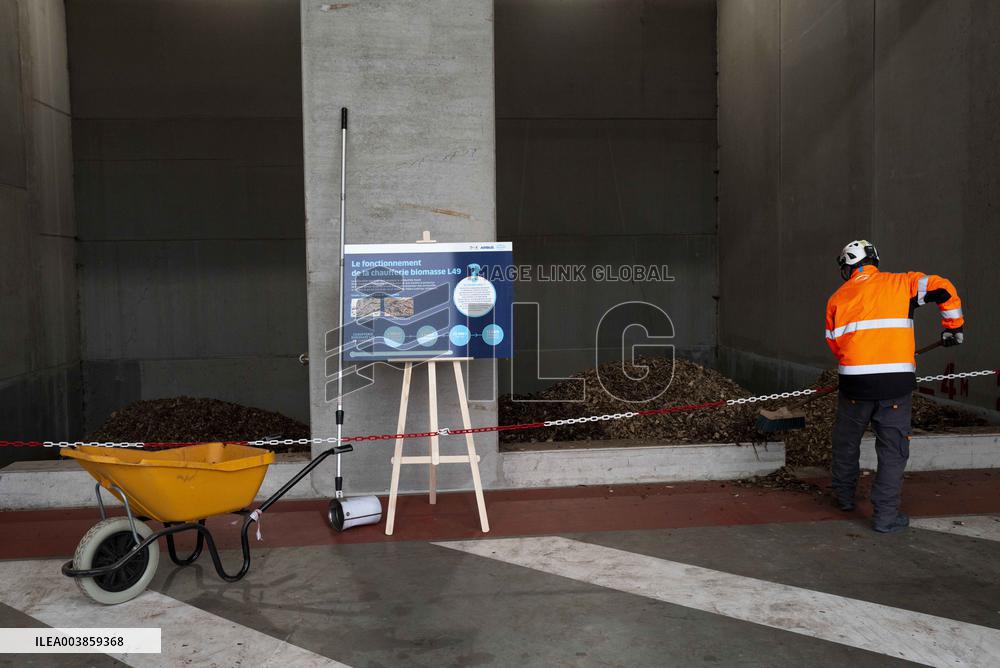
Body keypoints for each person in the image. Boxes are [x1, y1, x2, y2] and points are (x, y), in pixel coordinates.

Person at [825, 240, 964, 533]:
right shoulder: (903, 284)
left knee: (846, 441)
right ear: (874, 260)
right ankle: (885, 517)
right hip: (895, 384)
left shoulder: (837, 298)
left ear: (848, 267)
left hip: (854, 384)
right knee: (893, 449)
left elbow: (836, 345)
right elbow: (944, 288)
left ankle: (845, 497)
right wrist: (953, 328)